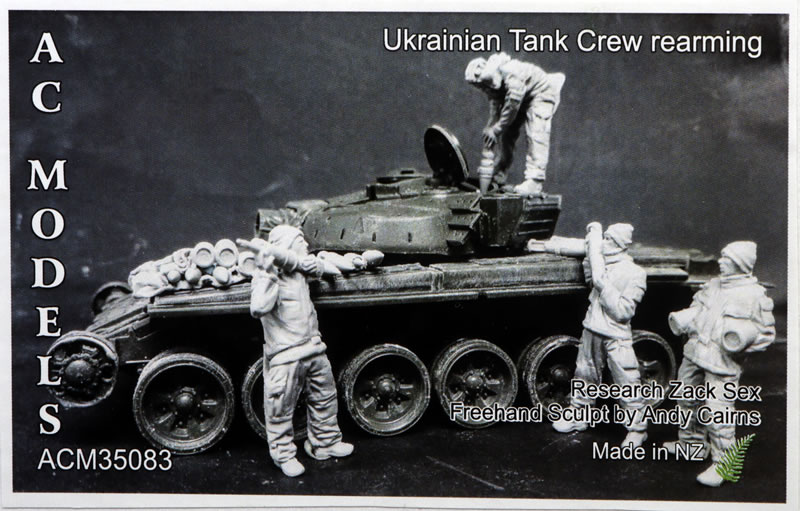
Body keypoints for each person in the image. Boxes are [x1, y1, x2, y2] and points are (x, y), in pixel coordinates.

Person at [663, 241, 775, 487]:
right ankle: (691, 444)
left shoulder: (754, 295)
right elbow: (696, 309)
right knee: (686, 398)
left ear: (740, 263)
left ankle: (724, 464)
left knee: (718, 412)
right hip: (695, 353)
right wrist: (689, 320)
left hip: (722, 362)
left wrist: (739, 347)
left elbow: (766, 334)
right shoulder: (712, 285)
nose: (721, 262)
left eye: (727, 259)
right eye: (723, 257)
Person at [249, 225, 353, 477]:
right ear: (286, 245)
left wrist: (320, 263)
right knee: (280, 407)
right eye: (300, 241)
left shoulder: (299, 271)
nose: (305, 245)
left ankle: (325, 442)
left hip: (313, 348)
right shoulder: (267, 275)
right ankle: (284, 455)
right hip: (286, 355)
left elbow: (321, 267)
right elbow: (258, 307)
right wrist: (267, 272)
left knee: (325, 398)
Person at [551, 222, 649, 448]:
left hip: (616, 334)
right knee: (584, 374)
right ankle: (579, 416)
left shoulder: (635, 273)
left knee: (626, 380)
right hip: (593, 328)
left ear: (618, 244)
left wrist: (604, 285)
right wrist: (591, 257)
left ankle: (637, 429)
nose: (604, 243)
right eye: (603, 238)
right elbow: (590, 282)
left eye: (607, 239)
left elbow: (623, 311)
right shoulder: (603, 263)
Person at [464, 52, 565, 196]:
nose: (482, 89)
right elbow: (495, 105)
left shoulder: (511, 74)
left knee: (536, 134)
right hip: (522, 98)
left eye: (481, 86)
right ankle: (499, 172)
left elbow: (512, 107)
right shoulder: (490, 82)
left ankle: (535, 180)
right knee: (506, 135)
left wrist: (496, 129)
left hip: (541, 93)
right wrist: (490, 127)